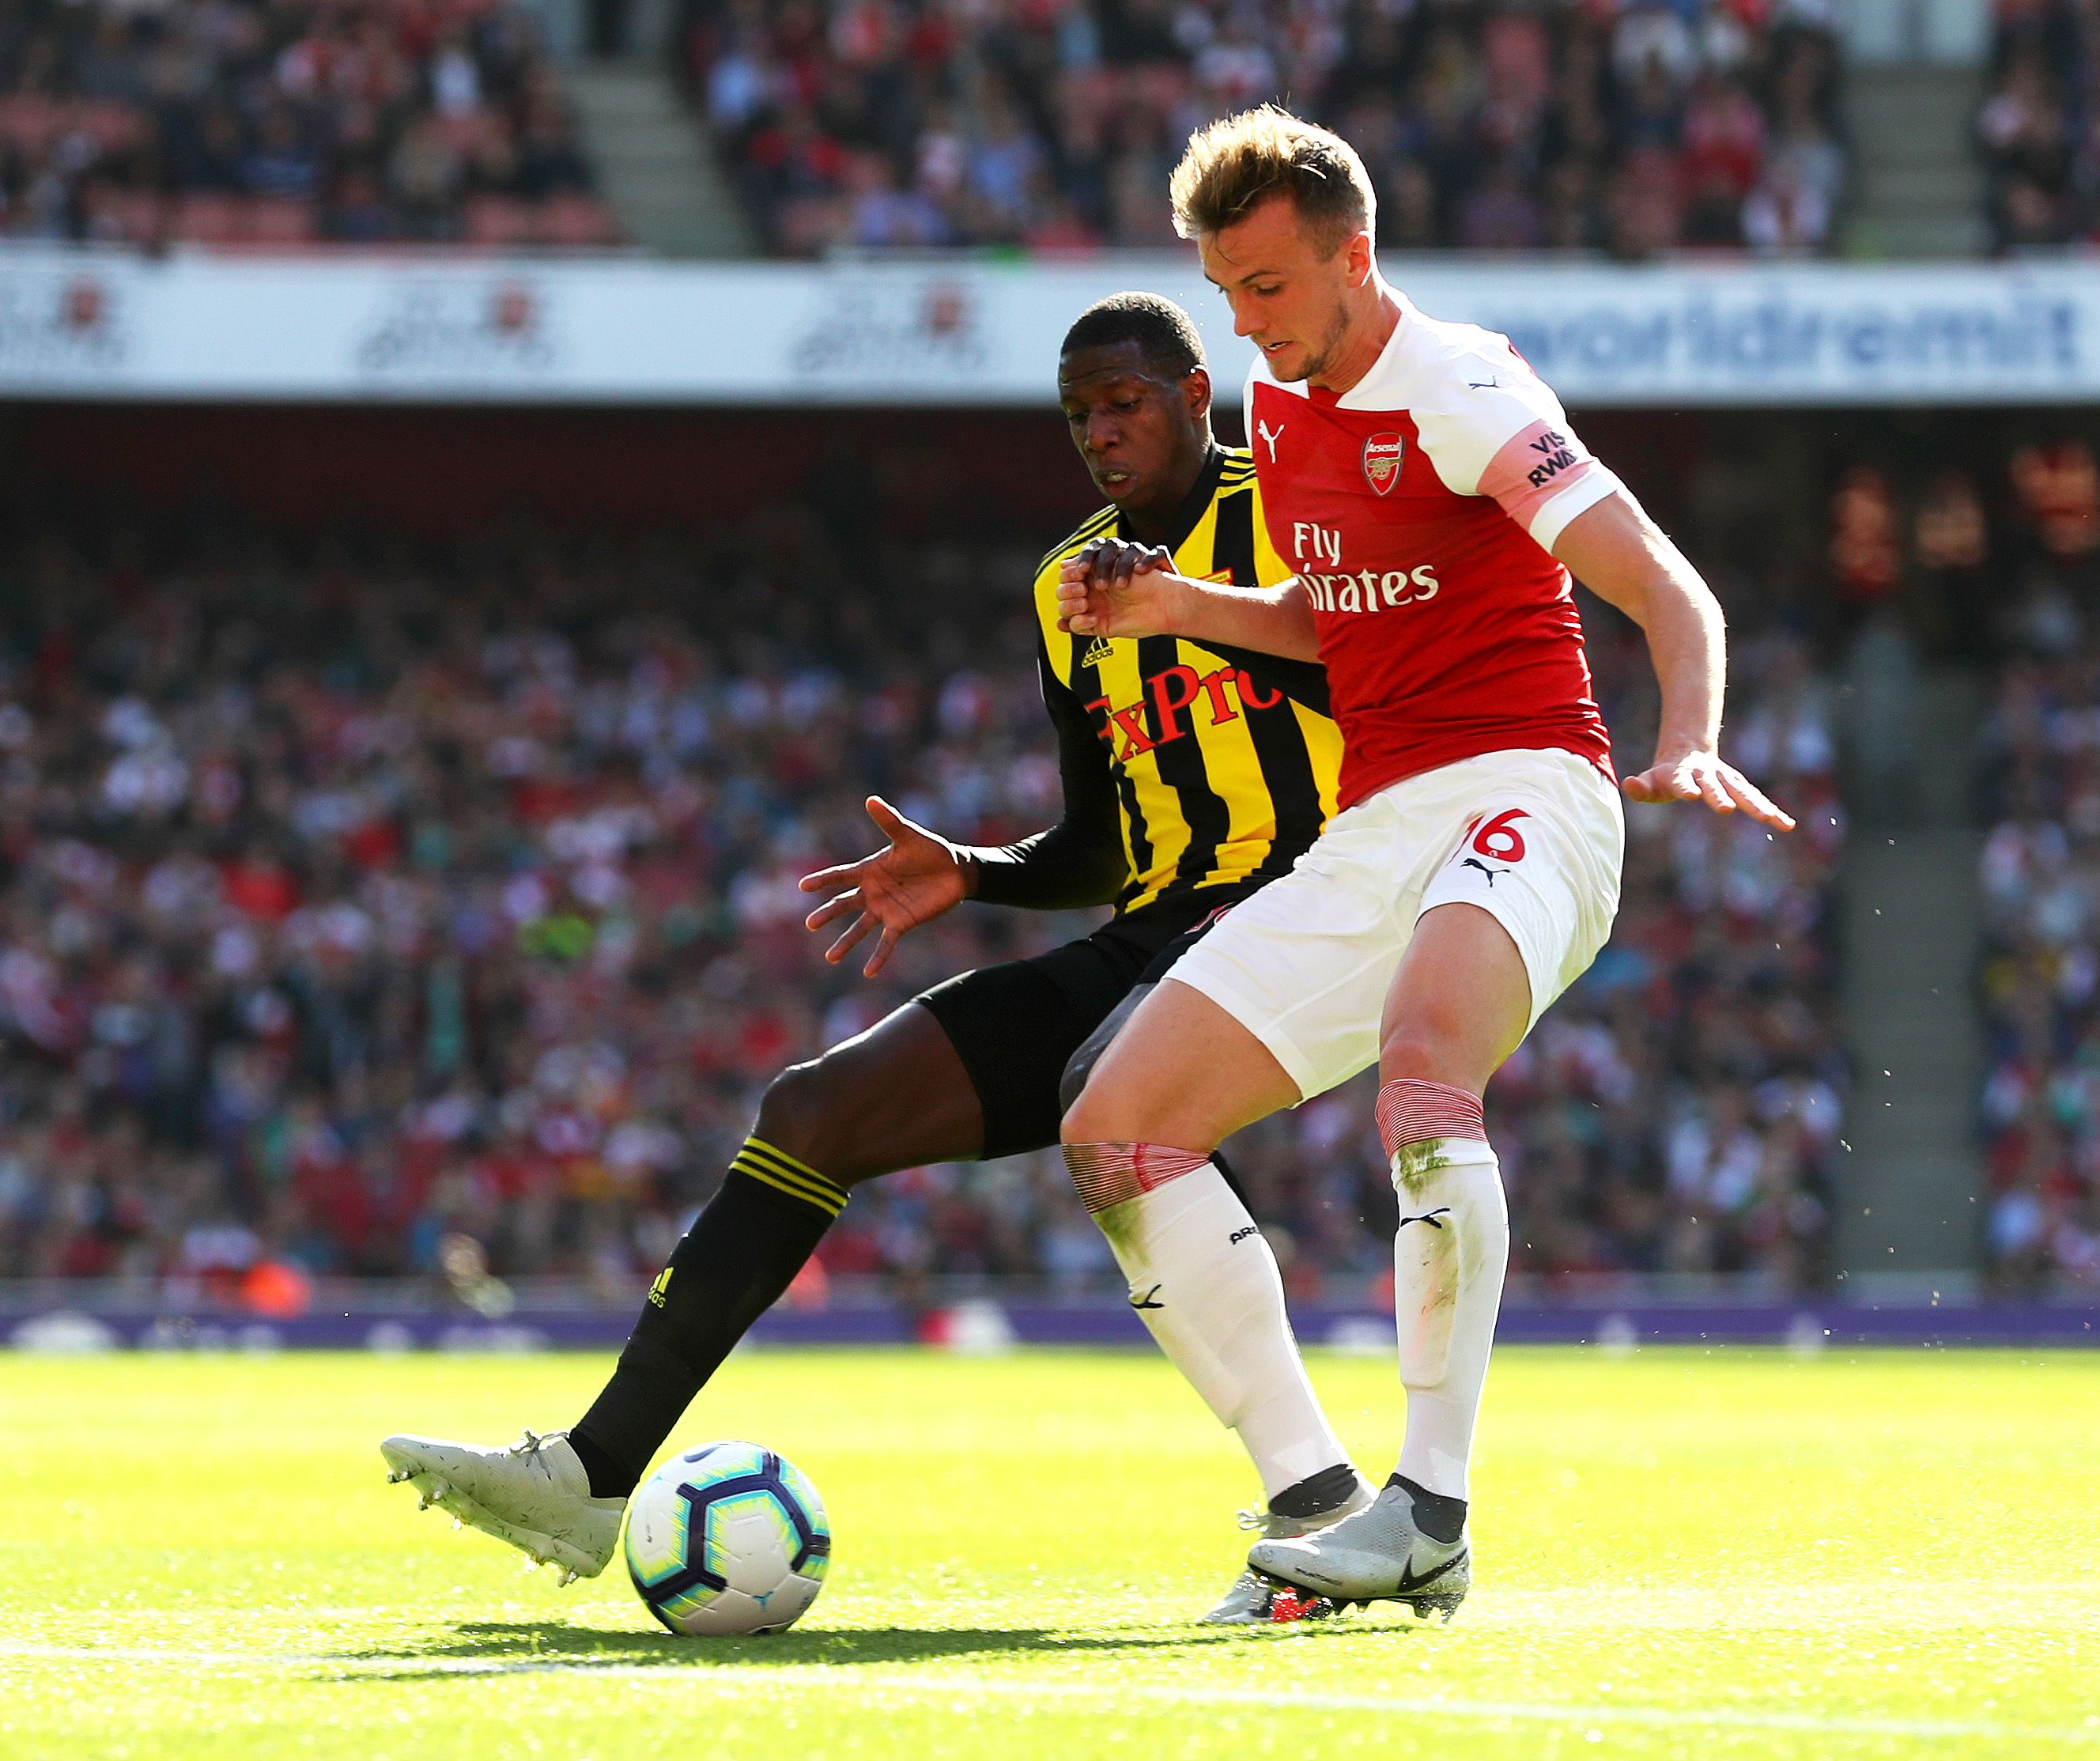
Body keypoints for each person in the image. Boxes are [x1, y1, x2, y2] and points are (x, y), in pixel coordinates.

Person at [380, 292, 1369, 1623]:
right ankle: (591, 1475)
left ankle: (1322, 1516)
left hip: (1312, 909)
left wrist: (1192, 609)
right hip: (1155, 930)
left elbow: (1379, 679)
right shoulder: (1064, 583)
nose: (1097, 431)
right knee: (813, 1109)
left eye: (1123, 401)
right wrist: (974, 869)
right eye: (1076, 412)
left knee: (1108, 1096)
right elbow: (1099, 837)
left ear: (1200, 395)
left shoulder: (1292, 515)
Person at [1054, 108, 1793, 1621]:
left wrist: (1694, 734)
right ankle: (1317, 1495)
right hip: (1378, 819)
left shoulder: (1464, 385)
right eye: (1222, 288)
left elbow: (1663, 585)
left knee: (1420, 1070)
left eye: (1264, 285)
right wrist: (1174, 606)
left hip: (1531, 786)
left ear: (1354, 255)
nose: (1243, 321)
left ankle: (1431, 1511)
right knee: (1116, 1129)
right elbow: (1346, 621)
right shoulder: (1278, 400)